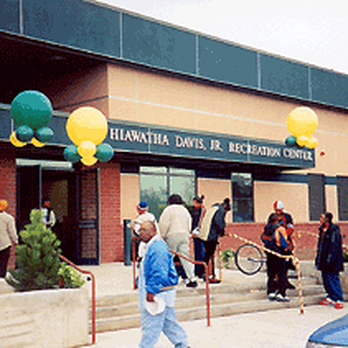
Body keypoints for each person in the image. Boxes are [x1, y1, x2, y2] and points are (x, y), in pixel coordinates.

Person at [138, 220, 190, 348]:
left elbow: (159, 273)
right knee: (169, 324)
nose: (141, 233)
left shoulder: (157, 248)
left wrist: (151, 292)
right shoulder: (153, 246)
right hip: (163, 294)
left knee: (150, 327)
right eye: (140, 230)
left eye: (144, 230)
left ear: (154, 230)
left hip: (158, 294)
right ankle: (183, 345)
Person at [159, 194, 197, 288]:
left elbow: (164, 224)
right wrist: (188, 233)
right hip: (184, 235)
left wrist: (163, 235)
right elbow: (189, 222)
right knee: (185, 258)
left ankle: (164, 278)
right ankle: (192, 279)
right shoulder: (184, 210)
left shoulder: (168, 210)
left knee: (168, 257)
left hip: (172, 235)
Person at [198, 198, 231, 284]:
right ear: (225, 207)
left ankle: (203, 272)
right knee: (209, 256)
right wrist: (222, 232)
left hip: (204, 235)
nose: (226, 213)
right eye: (227, 211)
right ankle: (209, 276)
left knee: (207, 256)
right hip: (210, 236)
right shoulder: (221, 210)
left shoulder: (213, 208)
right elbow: (218, 222)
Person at [315, 212, 344, 309]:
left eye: (322, 217)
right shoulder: (322, 230)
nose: (320, 219)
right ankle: (330, 296)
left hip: (332, 260)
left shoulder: (334, 230)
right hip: (323, 259)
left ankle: (338, 298)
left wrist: (330, 260)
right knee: (326, 279)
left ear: (327, 219)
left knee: (333, 278)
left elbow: (334, 246)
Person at [261, 213, 291, 302]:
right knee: (282, 274)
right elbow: (283, 242)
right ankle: (281, 293)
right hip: (279, 254)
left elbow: (263, 238)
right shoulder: (280, 229)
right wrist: (288, 251)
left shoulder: (266, 229)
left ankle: (271, 291)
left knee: (271, 274)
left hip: (270, 254)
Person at [270, 200, 296, 290]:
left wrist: (285, 237)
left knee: (286, 262)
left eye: (279, 210)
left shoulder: (287, 217)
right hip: (276, 243)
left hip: (286, 242)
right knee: (277, 264)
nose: (277, 212)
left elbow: (291, 228)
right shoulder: (272, 217)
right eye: (276, 210)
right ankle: (277, 281)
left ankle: (285, 280)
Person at [189, 195, 206, 278]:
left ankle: (202, 271)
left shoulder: (203, 210)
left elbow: (201, 222)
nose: (194, 205)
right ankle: (196, 271)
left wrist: (196, 231)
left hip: (200, 234)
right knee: (196, 253)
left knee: (201, 253)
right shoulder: (192, 210)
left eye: (195, 203)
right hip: (194, 234)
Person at [0, 200, 18, 278]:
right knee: (3, 264)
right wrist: (16, 241)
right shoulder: (9, 218)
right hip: (5, 244)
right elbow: (12, 231)